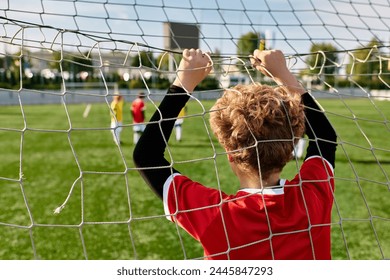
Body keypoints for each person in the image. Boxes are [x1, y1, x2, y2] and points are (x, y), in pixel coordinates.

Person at [133, 48, 337, 260]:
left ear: (230, 154)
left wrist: (184, 81)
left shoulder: (217, 215)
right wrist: (283, 74)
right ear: (291, 148)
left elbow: (146, 156)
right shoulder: (313, 198)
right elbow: (325, 137)